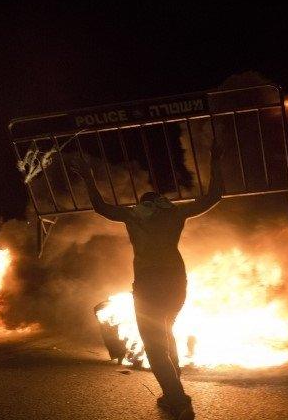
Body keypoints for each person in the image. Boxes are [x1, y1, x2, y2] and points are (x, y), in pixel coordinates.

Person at [70, 138, 224, 420]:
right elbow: (214, 195)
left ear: (142, 203)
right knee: (166, 335)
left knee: (154, 347)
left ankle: (179, 400)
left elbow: (100, 207)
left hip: (149, 286)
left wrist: (88, 177)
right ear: (161, 202)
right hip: (177, 284)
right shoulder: (175, 213)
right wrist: (216, 158)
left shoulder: (133, 216)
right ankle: (171, 393)